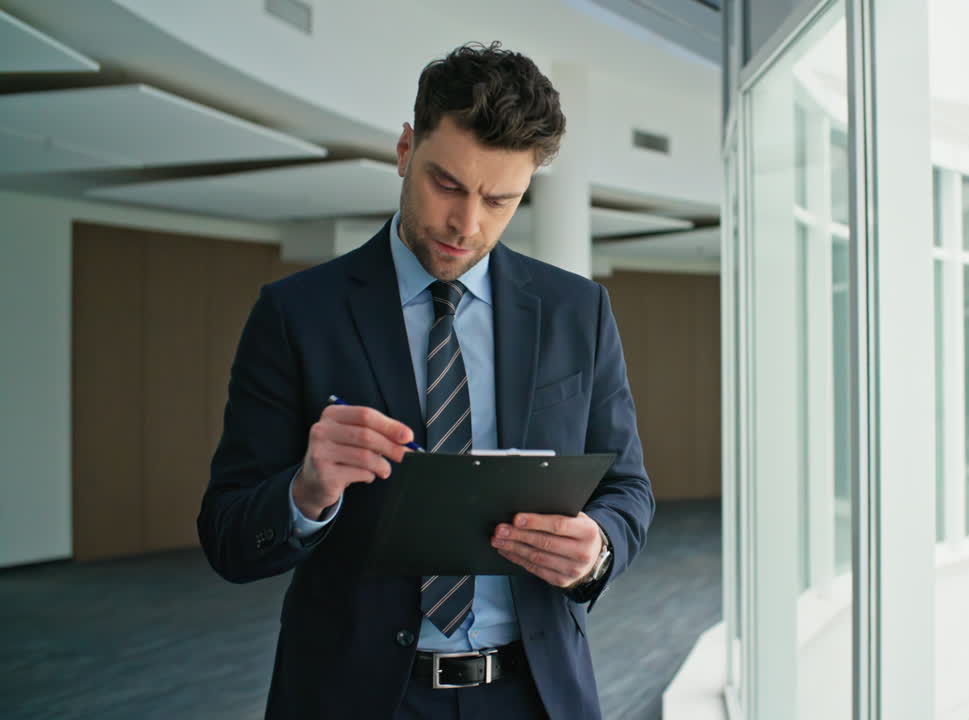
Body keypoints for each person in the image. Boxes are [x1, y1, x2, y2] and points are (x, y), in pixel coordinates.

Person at [198, 41, 654, 720]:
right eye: (448, 184)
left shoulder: (576, 312)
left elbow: (628, 488)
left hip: (536, 694)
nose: (466, 226)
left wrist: (598, 548)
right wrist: (306, 490)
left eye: (500, 200)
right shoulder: (296, 315)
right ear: (406, 149)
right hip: (355, 696)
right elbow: (228, 536)